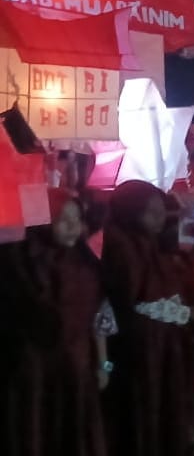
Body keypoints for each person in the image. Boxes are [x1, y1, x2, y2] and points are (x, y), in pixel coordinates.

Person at [1, 189, 117, 456]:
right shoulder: (21, 264)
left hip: (76, 367)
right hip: (34, 371)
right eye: (63, 219)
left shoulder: (86, 263)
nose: (73, 226)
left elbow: (100, 316)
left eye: (77, 219)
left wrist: (104, 364)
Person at [101, 180, 194, 456]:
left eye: (162, 212)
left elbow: (163, 287)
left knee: (163, 402)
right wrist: (185, 314)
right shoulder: (121, 246)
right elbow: (134, 302)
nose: (160, 219)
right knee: (142, 406)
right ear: (131, 212)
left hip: (159, 342)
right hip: (137, 346)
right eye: (152, 213)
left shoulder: (149, 243)